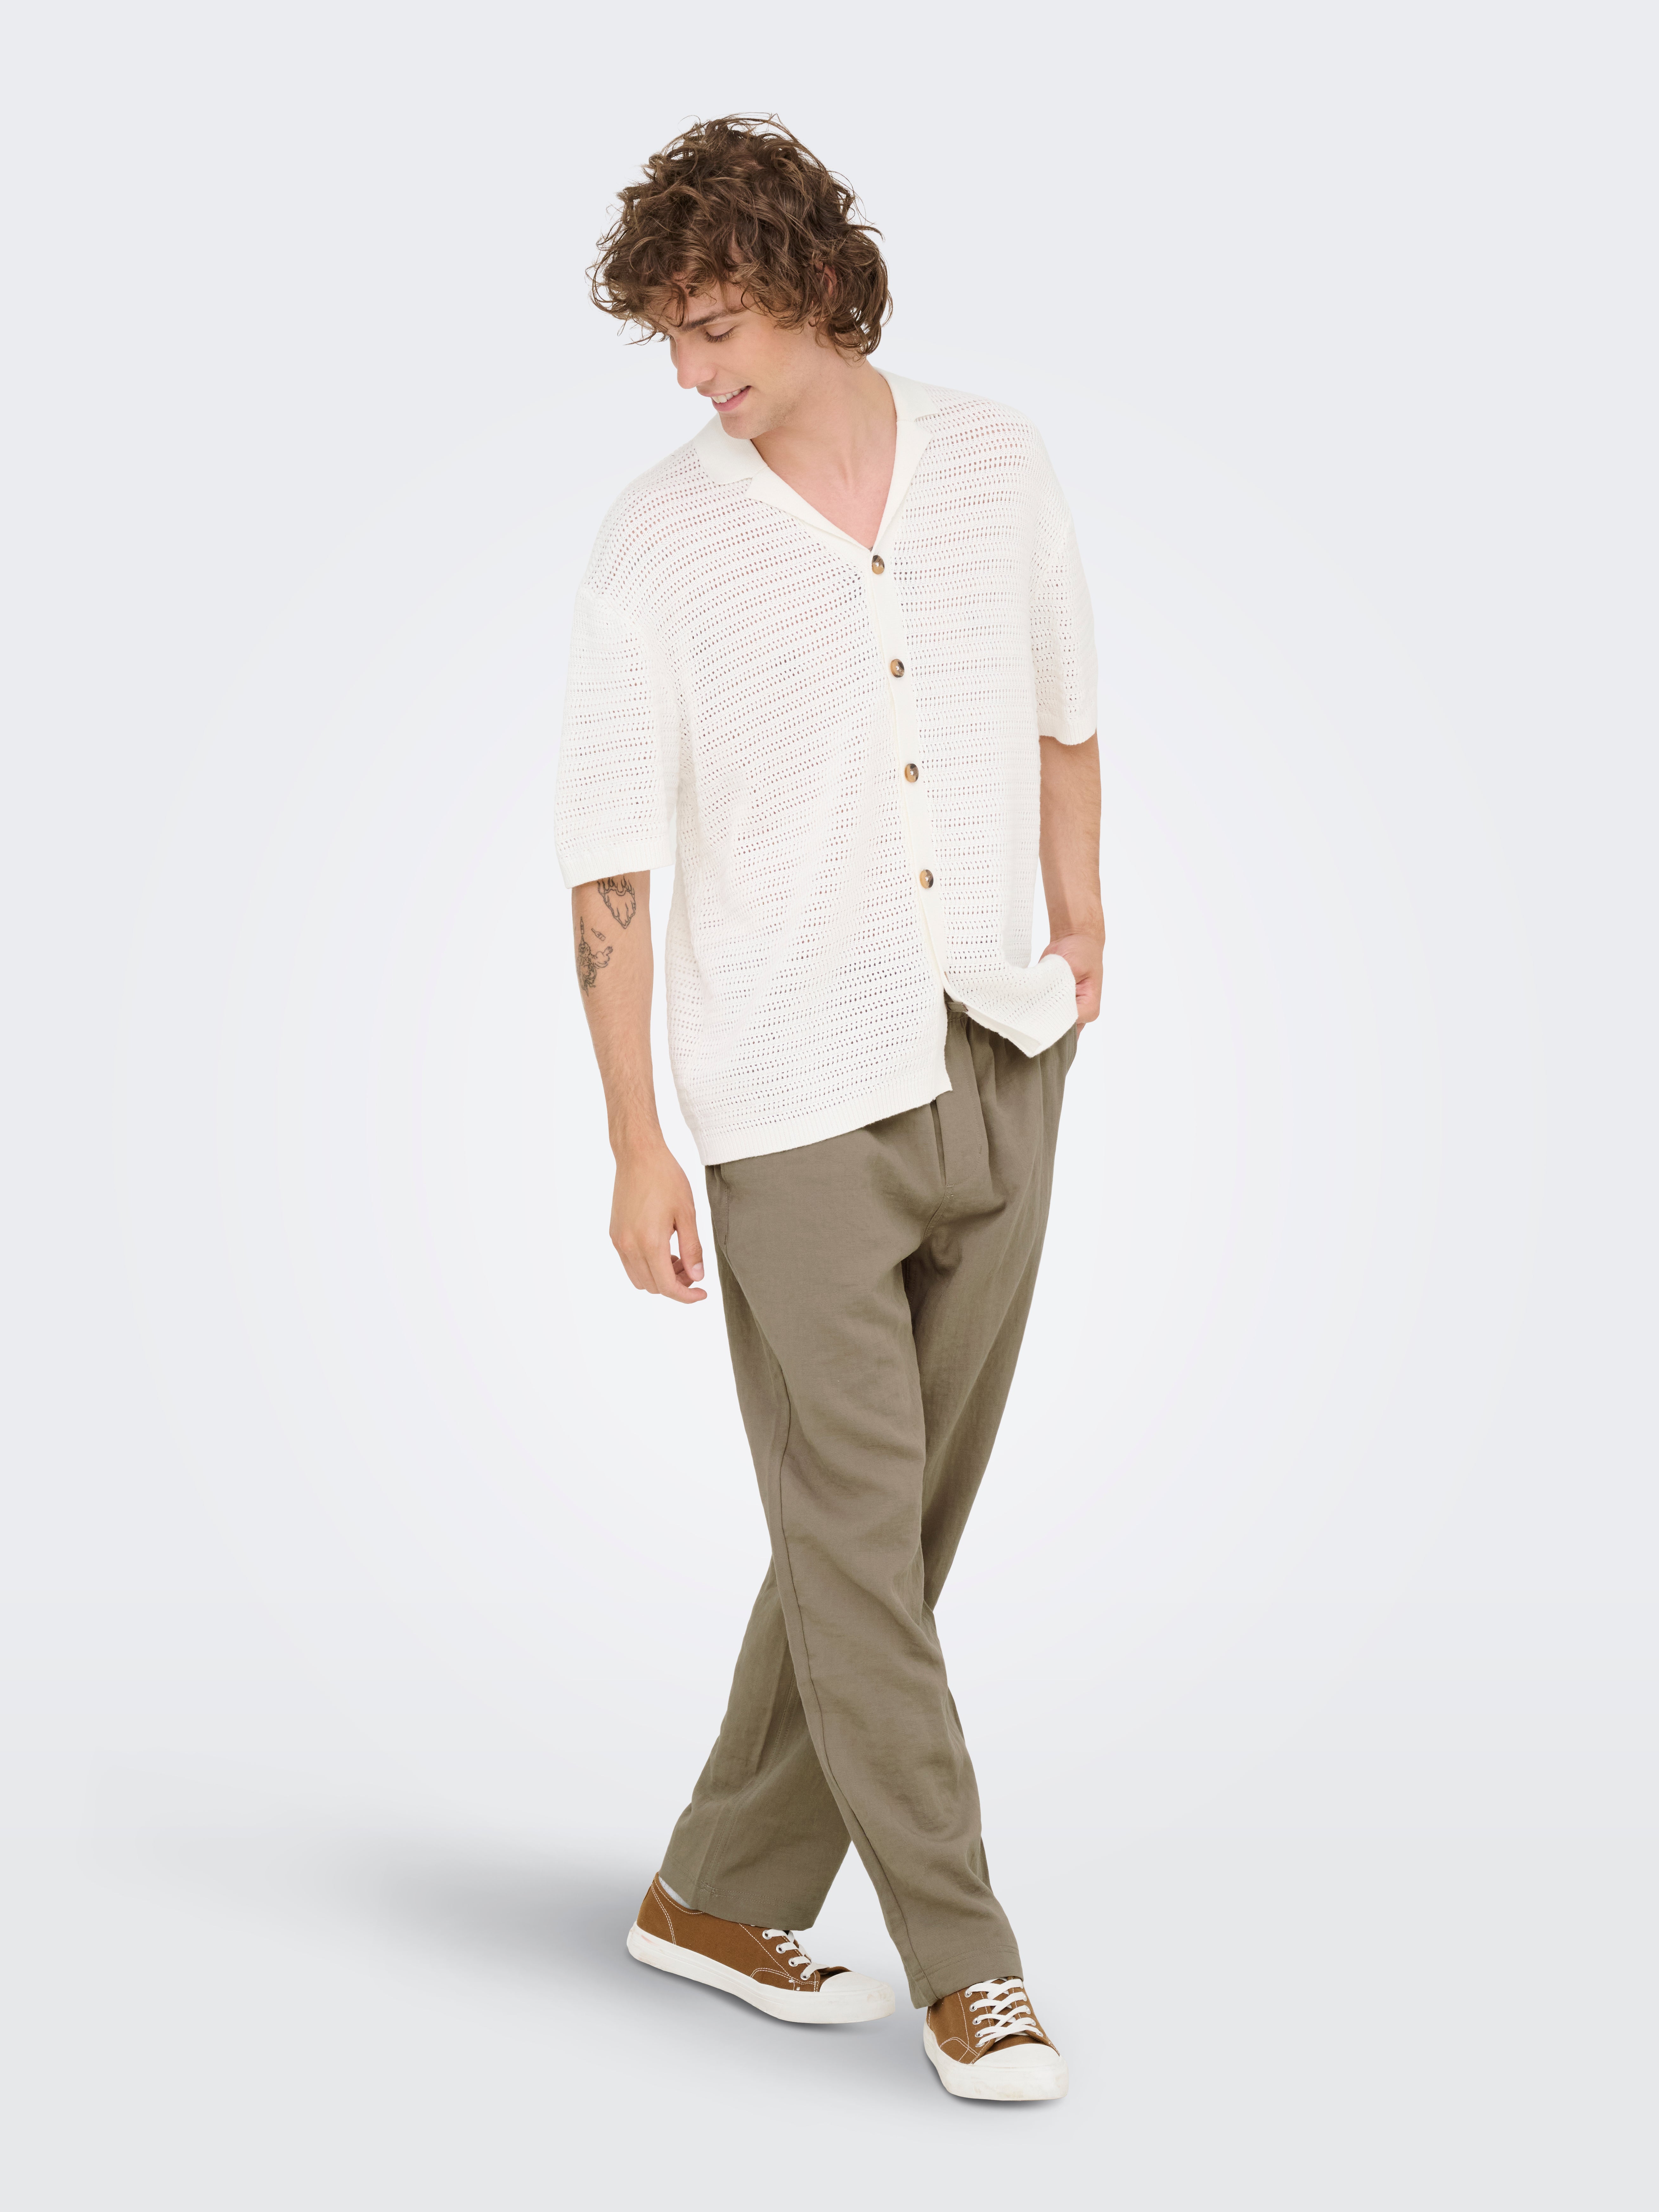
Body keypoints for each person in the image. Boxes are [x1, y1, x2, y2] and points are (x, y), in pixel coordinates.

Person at [557, 116, 1101, 2103]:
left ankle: (712, 1889)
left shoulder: (998, 461)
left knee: (885, 1533)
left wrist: (1083, 918)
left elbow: (1060, 705)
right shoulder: (659, 539)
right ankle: (971, 1963)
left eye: (712, 326)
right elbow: (608, 857)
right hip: (787, 1101)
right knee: (859, 1542)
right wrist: (634, 1136)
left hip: (1002, 1046)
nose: (689, 372)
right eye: (667, 338)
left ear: (807, 286)